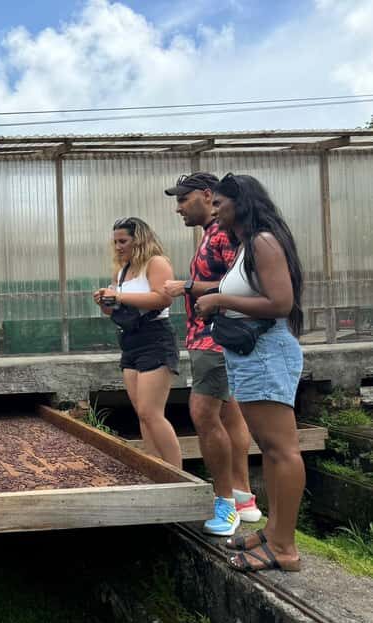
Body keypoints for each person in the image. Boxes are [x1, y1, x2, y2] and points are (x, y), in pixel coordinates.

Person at [195, 173, 304, 573]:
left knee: (280, 449)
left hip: (266, 352)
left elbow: (280, 302)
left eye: (220, 203)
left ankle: (284, 548)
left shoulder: (262, 241)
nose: (215, 210)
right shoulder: (247, 245)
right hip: (253, 355)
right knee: (271, 448)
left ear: (240, 203)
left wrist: (219, 298)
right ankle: (274, 531)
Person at [162, 173, 261, 537]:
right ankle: (244, 497)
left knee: (202, 413)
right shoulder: (214, 234)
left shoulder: (222, 234)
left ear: (207, 195)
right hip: (212, 336)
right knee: (230, 413)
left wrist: (185, 286)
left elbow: (240, 283)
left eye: (184, 199)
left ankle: (225, 504)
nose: (178, 208)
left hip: (214, 338)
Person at [94, 218, 182, 468]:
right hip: (130, 339)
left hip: (155, 338)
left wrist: (119, 295)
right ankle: (155, 468)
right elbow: (116, 311)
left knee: (152, 412)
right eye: (115, 242)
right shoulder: (122, 270)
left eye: (123, 241)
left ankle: (177, 474)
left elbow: (164, 298)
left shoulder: (156, 263)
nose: (118, 247)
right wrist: (105, 302)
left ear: (139, 240)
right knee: (142, 414)